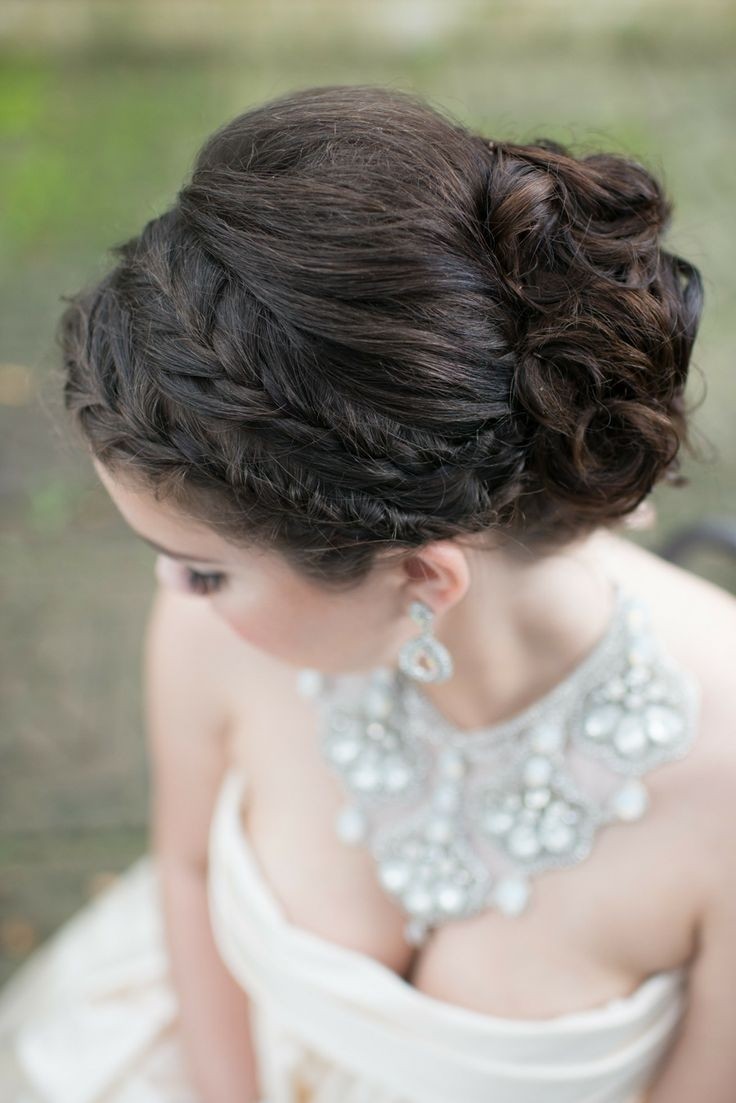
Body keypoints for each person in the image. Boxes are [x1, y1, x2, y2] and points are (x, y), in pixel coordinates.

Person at [1, 83, 734, 1103]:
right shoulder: (211, 633)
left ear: (423, 575)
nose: (174, 591)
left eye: (206, 567)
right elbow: (188, 873)